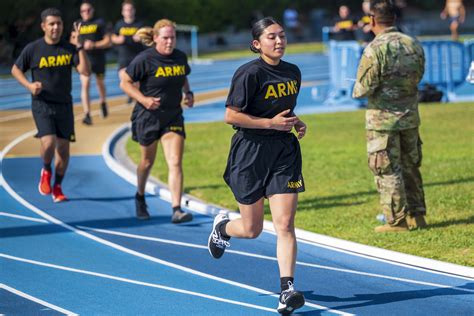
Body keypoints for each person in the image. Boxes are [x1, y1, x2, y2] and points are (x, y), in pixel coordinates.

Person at [207, 17, 307, 314]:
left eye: (282, 36)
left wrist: (294, 121)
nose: (279, 41)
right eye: (272, 37)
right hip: (250, 152)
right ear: (257, 44)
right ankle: (224, 229)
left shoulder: (293, 72)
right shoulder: (249, 74)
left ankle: (287, 290)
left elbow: (284, 109)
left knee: (285, 224)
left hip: (283, 153)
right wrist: (269, 124)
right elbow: (230, 115)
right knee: (252, 229)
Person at [352, 0, 427, 232]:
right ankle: (418, 216)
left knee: (386, 170)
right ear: (394, 19)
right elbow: (418, 76)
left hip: (383, 122)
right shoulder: (412, 44)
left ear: (372, 20)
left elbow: (362, 89)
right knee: (410, 167)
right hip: (410, 117)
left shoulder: (375, 48)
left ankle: (397, 221)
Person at [11, 8, 90, 202]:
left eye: (59, 24)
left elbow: (85, 71)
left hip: (64, 105)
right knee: (49, 141)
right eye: (52, 24)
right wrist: (29, 85)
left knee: (63, 150)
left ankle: (58, 187)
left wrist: (79, 47)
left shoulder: (69, 48)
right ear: (43, 26)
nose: (56, 27)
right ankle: (46, 171)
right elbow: (15, 69)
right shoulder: (33, 49)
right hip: (42, 103)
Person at [120, 19, 194, 223]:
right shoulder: (144, 59)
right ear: (155, 38)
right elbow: (125, 82)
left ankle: (176, 209)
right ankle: (140, 196)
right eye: (165, 38)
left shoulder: (180, 57)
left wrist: (188, 93)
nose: (170, 42)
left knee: (175, 162)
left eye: (173, 37)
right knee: (147, 162)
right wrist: (143, 99)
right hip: (148, 117)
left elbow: (184, 76)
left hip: (172, 115)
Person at [73, 0, 111, 125]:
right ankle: (87, 114)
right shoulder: (78, 24)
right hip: (84, 59)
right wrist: (80, 43)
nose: (86, 12)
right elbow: (72, 39)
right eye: (83, 10)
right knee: (85, 84)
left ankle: (103, 102)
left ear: (92, 10)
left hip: (98, 59)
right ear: (80, 12)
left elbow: (107, 41)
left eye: (88, 10)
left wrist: (93, 44)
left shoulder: (99, 23)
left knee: (100, 84)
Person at [111, 0, 144, 103]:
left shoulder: (139, 24)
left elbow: (148, 37)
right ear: (122, 12)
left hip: (137, 56)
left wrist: (140, 37)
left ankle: (136, 98)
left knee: (137, 82)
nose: (128, 11)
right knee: (124, 79)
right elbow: (112, 37)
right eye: (126, 10)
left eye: (130, 9)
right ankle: (131, 94)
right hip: (123, 57)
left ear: (134, 11)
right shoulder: (119, 24)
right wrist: (118, 39)